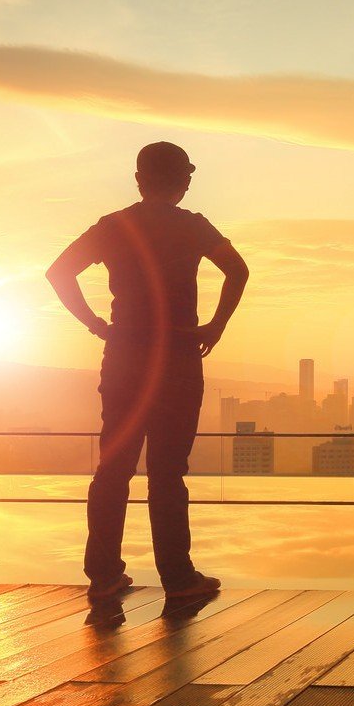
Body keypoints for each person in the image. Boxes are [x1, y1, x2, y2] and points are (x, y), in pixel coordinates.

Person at [46, 141, 249, 603]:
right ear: (182, 180)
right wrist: (215, 325)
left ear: (139, 180)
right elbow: (238, 271)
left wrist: (96, 324)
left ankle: (103, 576)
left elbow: (59, 273)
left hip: (125, 355)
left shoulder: (113, 227)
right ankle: (178, 579)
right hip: (177, 355)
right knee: (167, 472)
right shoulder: (193, 227)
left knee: (113, 468)